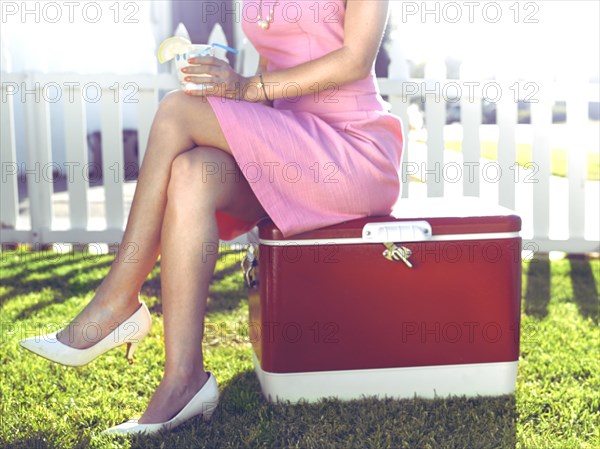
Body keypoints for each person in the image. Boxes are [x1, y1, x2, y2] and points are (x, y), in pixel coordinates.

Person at [19, 0, 403, 436]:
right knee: (192, 174)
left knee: (175, 109)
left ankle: (117, 299)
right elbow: (270, 58)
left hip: (351, 151)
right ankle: (184, 379)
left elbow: (355, 60)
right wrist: (235, 104)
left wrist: (245, 90)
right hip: (286, 145)